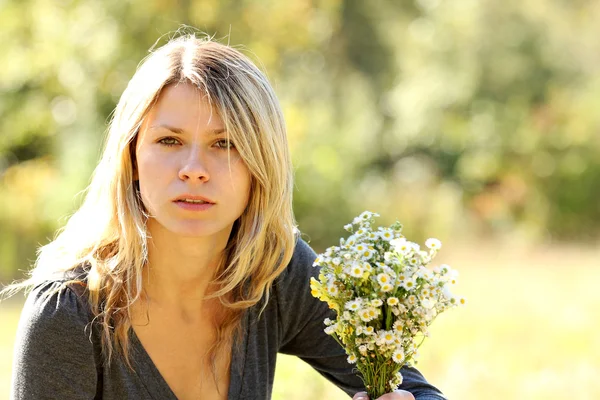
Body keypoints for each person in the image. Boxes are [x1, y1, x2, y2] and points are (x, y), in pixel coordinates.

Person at [6, 33, 447, 400]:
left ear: (261, 165)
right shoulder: (67, 314)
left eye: (226, 144)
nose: (194, 169)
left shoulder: (275, 273)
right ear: (132, 158)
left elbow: (416, 390)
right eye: (170, 141)